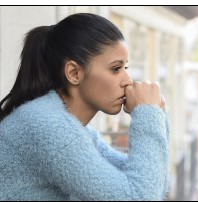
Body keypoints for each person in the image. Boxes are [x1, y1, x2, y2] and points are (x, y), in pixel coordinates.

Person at [0, 13, 170, 201]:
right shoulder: (48, 126)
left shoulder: (76, 130)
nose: (127, 81)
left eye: (125, 68)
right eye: (115, 69)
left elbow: (152, 182)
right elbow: (140, 197)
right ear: (74, 73)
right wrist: (148, 114)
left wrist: (157, 115)